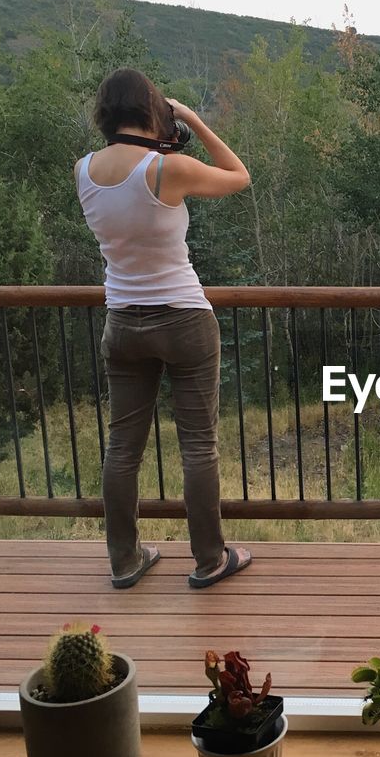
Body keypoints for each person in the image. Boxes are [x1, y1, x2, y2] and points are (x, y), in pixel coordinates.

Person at [76, 67, 252, 589]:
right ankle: (209, 560)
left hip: (122, 322)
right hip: (182, 318)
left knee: (122, 447)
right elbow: (239, 175)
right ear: (153, 111)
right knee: (198, 444)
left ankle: (125, 560)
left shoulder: (82, 169)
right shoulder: (165, 170)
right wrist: (194, 121)